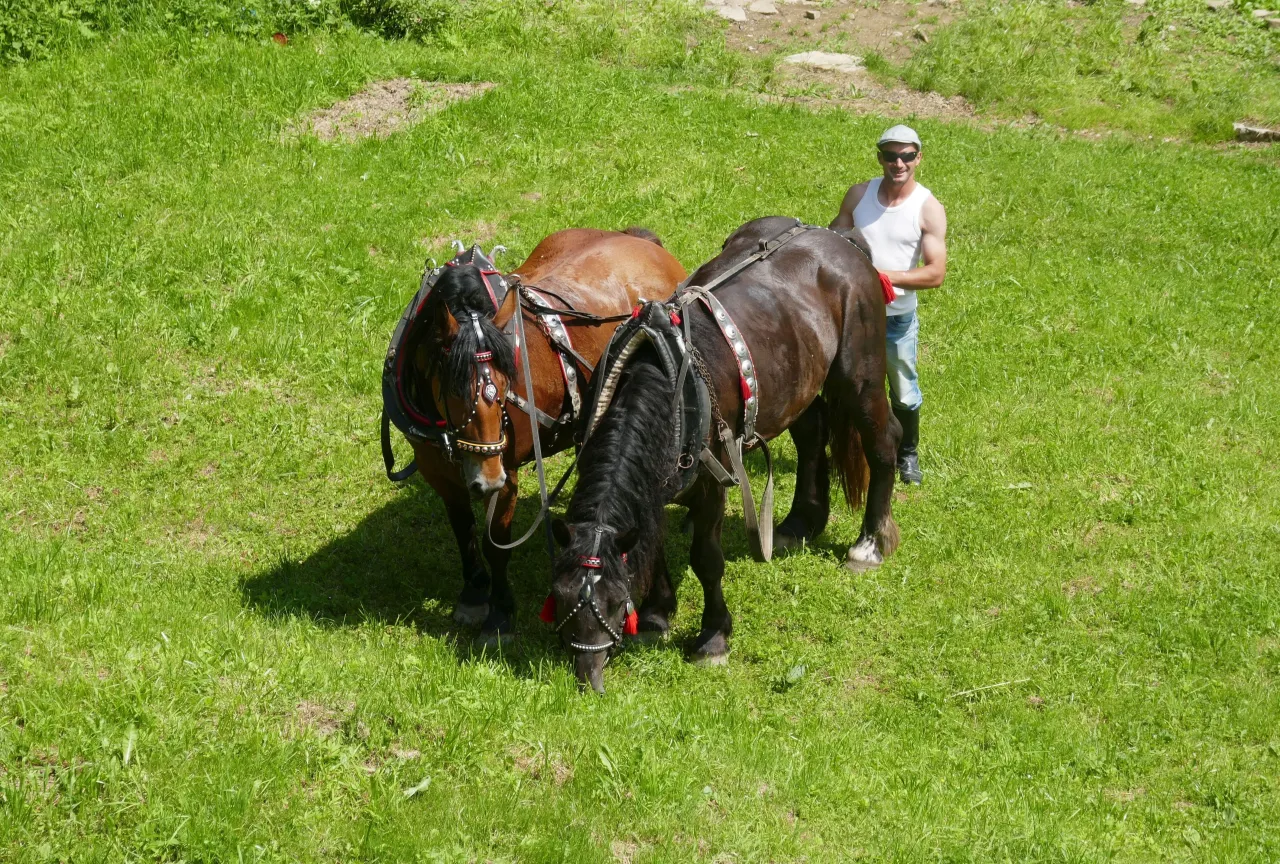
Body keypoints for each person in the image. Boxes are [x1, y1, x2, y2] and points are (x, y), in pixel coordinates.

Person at [830, 124, 947, 485]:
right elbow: (833, 240)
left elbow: (935, 273)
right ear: (880, 157)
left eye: (907, 156)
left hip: (895, 317)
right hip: (852, 315)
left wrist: (882, 276)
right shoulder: (859, 196)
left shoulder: (927, 209)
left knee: (903, 388)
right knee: (841, 382)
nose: (899, 163)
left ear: (918, 158)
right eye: (891, 155)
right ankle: (840, 449)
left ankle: (907, 453)